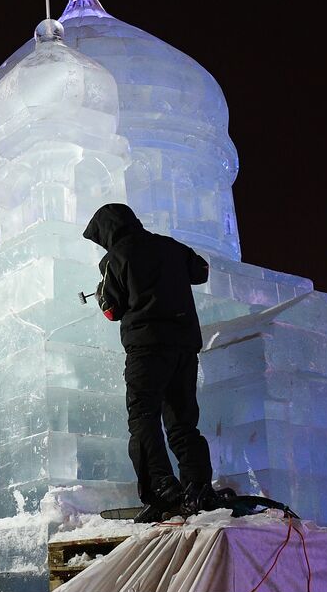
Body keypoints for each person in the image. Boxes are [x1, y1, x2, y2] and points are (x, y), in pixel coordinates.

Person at [83, 203, 225, 522]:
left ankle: (162, 487)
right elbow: (200, 271)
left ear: (109, 231)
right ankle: (198, 486)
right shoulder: (170, 246)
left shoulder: (114, 258)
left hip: (147, 349)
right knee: (183, 422)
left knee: (143, 417)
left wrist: (104, 294)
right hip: (184, 348)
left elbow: (112, 311)